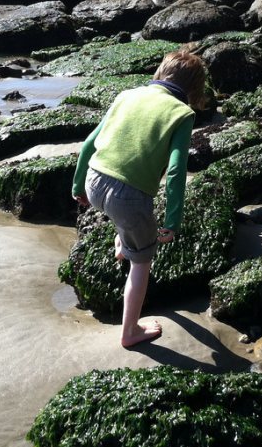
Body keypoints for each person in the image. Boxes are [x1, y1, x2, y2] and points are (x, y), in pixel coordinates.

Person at [72, 49, 206, 347]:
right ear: (194, 89)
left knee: (120, 212)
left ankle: (122, 243)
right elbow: (175, 171)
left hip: (95, 180)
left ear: (160, 73)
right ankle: (130, 331)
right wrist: (172, 220)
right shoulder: (182, 114)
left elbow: (89, 143)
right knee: (142, 262)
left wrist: (77, 184)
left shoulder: (127, 95)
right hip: (129, 197)